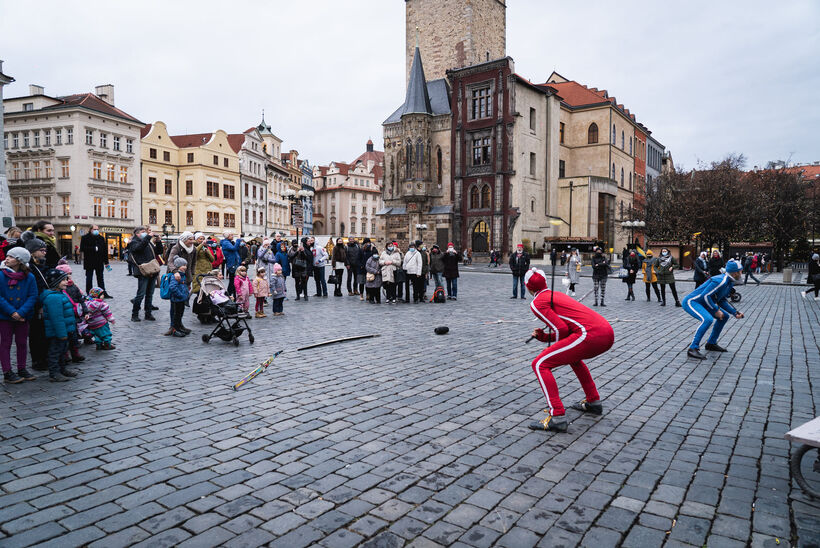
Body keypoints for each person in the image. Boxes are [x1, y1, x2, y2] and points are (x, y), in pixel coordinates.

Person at [524, 268, 614, 433]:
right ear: (544, 282)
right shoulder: (557, 294)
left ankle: (557, 416)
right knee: (573, 358)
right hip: (606, 331)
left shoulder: (536, 303)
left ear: (527, 287)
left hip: (589, 334)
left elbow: (562, 330)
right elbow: (566, 329)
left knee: (540, 364)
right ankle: (593, 401)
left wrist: (547, 342)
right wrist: (544, 337)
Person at [682, 260, 744, 359]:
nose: (742, 273)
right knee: (707, 319)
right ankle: (692, 348)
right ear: (735, 272)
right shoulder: (721, 280)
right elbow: (705, 296)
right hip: (692, 302)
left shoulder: (729, 282)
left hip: (703, 302)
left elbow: (721, 299)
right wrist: (716, 310)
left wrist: (734, 312)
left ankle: (711, 343)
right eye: (741, 271)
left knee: (724, 317)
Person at [0, 247, 38, 383]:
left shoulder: (29, 277)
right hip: (5, 316)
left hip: (23, 316)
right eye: (7, 256)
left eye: (10, 257)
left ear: (19, 261)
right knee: (5, 343)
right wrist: (12, 312)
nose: (7, 259)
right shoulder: (1, 275)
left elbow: (33, 296)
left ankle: (22, 368)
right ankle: (7, 371)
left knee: (22, 343)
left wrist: (21, 312)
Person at [40, 268, 79, 382]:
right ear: (55, 282)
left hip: (64, 330)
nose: (67, 282)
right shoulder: (53, 297)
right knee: (55, 352)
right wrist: (62, 333)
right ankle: (54, 372)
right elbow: (57, 318)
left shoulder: (59, 294)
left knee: (62, 351)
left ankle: (62, 369)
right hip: (57, 332)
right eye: (64, 280)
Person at [25, 236, 49, 370]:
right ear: (33, 251)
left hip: (44, 302)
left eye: (45, 250)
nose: (44, 252)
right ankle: (37, 360)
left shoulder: (42, 264)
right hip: (35, 305)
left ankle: (44, 357)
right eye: (41, 250)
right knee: (36, 333)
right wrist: (39, 305)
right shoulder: (30, 267)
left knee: (43, 332)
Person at [55, 263, 86, 363]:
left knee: (74, 336)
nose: (68, 277)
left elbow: (81, 299)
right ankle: (65, 355)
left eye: (69, 274)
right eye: (66, 275)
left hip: (74, 314)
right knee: (65, 338)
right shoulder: (59, 290)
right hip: (66, 315)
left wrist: (85, 310)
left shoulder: (74, 286)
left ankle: (75, 354)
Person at [127, 226, 159, 323]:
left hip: (152, 269)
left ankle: (148, 313)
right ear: (137, 233)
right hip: (143, 271)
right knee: (141, 294)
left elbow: (158, 252)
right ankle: (135, 314)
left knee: (150, 294)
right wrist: (148, 237)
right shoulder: (134, 242)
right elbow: (139, 248)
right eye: (143, 231)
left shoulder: (147, 242)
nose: (145, 233)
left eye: (145, 231)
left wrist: (158, 241)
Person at [80, 224, 110, 297]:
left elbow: (105, 251)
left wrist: (106, 262)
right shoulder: (85, 238)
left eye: (97, 229)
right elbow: (82, 248)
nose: (96, 231)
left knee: (100, 278)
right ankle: (89, 293)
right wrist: (93, 248)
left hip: (99, 262)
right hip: (89, 261)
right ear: (90, 230)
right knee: (89, 278)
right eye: (94, 229)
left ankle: (103, 293)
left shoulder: (101, 238)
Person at [167, 257, 190, 337]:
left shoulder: (182, 275)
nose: (185, 267)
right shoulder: (176, 276)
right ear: (178, 266)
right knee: (176, 315)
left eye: (185, 265)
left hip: (181, 299)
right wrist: (180, 295)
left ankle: (179, 328)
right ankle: (175, 330)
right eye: (183, 265)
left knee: (180, 314)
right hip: (177, 299)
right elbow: (173, 287)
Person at [220, 232, 244, 297]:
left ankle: (232, 295)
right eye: (231, 235)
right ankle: (229, 295)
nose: (233, 236)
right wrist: (238, 239)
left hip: (234, 263)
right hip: (232, 263)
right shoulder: (226, 243)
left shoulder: (229, 242)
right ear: (227, 236)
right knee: (232, 282)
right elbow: (234, 248)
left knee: (234, 281)